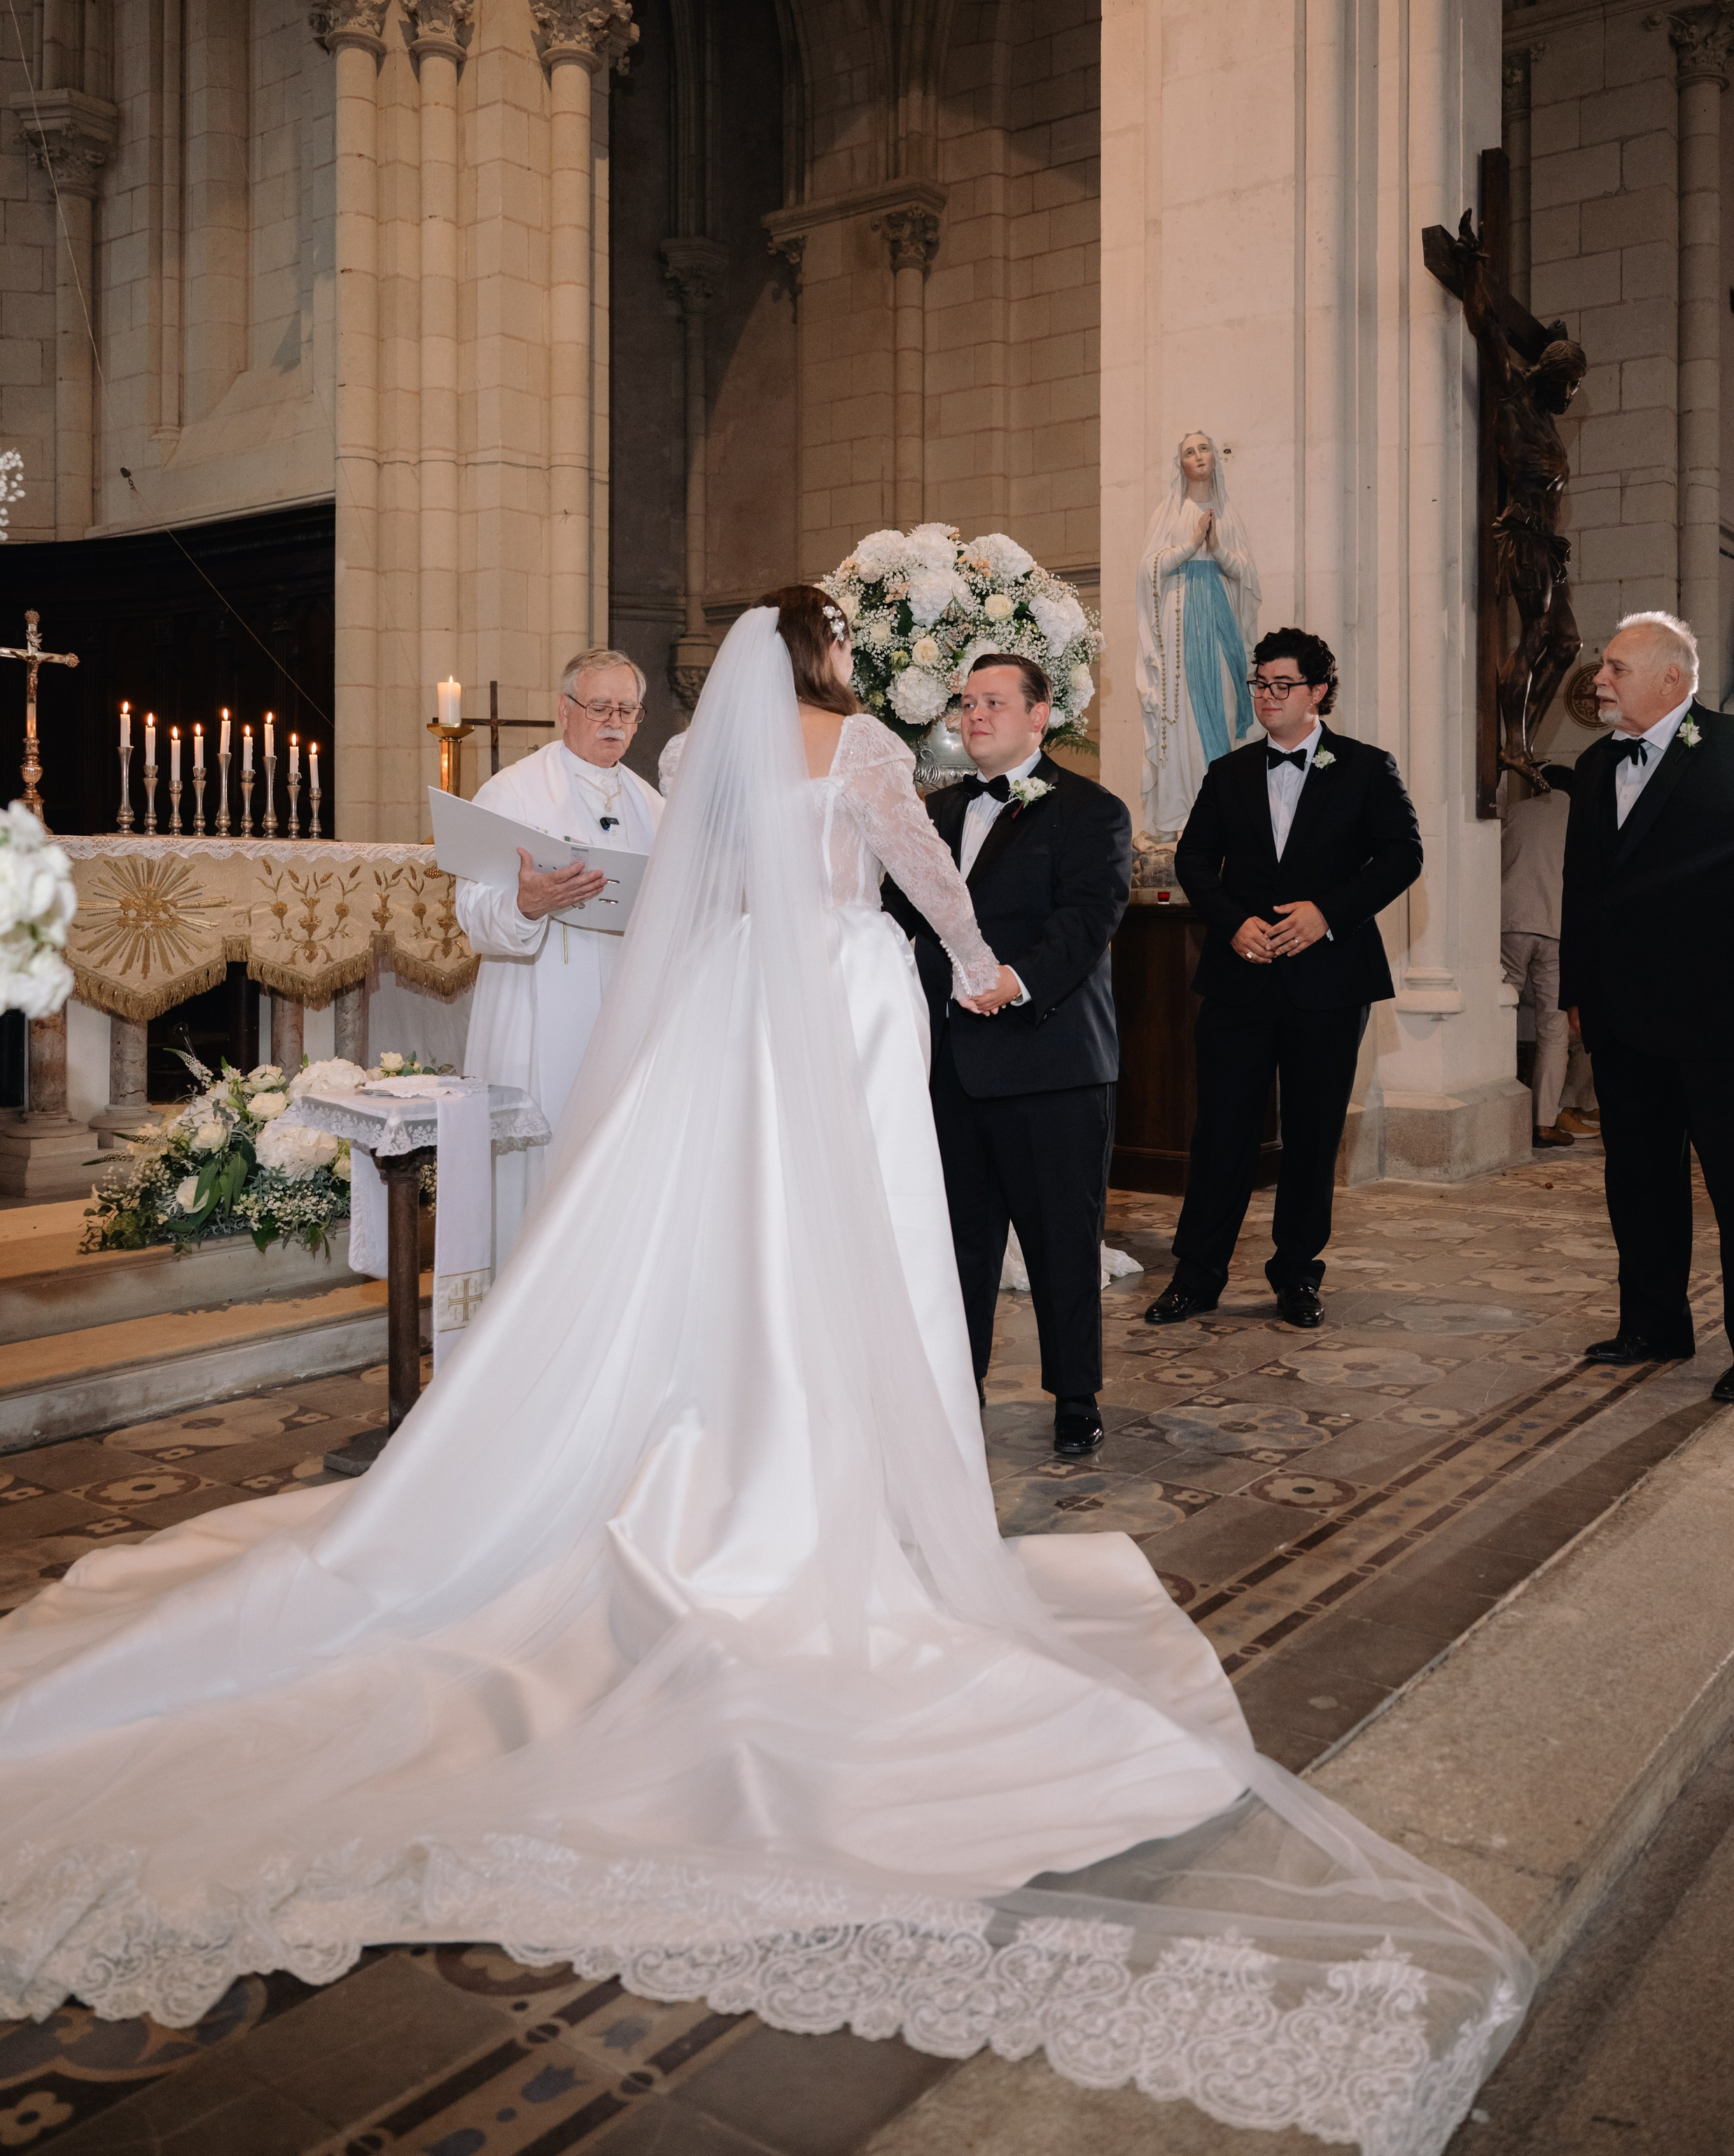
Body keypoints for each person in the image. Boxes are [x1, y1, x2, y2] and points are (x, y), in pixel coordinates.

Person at [0, 594, 1528, 2143]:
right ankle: (830, 1496)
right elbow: (927, 876)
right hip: (846, 997)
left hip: (734, 1003)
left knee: (731, 1238)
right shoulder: (858, 746)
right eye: (848, 649)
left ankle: (712, 1446)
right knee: (854, 1237)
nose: (860, 670)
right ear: (827, 656)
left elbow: (691, 895)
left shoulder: (704, 764)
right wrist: (976, 964)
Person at [883, 652, 1131, 1458]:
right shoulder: (931, 811)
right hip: (950, 1065)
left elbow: (1088, 918)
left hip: (1049, 1061)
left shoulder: (1091, 810)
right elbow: (894, 913)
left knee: (1063, 1240)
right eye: (966, 703)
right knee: (957, 1243)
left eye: (993, 701)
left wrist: (1015, 981)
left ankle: (1075, 1396)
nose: (975, 715)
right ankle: (961, 1386)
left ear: (1039, 714)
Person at [1147, 626, 1422, 1332]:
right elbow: (1193, 860)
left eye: (1282, 685)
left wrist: (1327, 913)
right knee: (1221, 1131)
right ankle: (1196, 1274)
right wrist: (1231, 923)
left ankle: (1297, 1273)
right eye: (1260, 684)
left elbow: (1402, 856)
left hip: (1329, 981)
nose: (1267, 696)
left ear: (1318, 691)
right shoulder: (1229, 771)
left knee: (1312, 1132)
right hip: (1239, 979)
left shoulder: (1366, 767)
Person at [1560, 610, 1734, 1404]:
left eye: (1615, 668)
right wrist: (1578, 992)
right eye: (1603, 667)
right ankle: (1653, 1324)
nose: (1599, 680)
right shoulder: (1595, 763)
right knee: (1639, 1182)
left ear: (1671, 677)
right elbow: (1583, 890)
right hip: (1623, 1021)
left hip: (1730, 1025)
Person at [456, 647, 662, 1264]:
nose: (614, 722)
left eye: (627, 710)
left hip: (626, 1013)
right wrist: (526, 904)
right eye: (599, 707)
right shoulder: (511, 793)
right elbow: (472, 911)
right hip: (536, 1003)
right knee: (539, 1177)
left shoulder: (654, 807)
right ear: (564, 710)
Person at [1136, 430, 1260, 841]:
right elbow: (1148, 569)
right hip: (1179, 628)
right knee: (1183, 712)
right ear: (1182, 464)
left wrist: (1218, 548)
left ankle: (1219, 813)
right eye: (1190, 452)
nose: (1199, 455)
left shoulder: (1229, 514)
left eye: (1204, 448)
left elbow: (1247, 575)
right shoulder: (1170, 512)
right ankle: (1180, 812)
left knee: (1223, 704)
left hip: (1221, 624)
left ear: (1215, 458)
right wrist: (1191, 545)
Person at [1501, 764, 1576, 1148]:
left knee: (1502, 1010)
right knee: (1554, 1027)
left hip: (1511, 921)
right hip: (1558, 928)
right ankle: (1544, 1124)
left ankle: (1500, 1112)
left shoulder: (1515, 812)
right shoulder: (1580, 819)